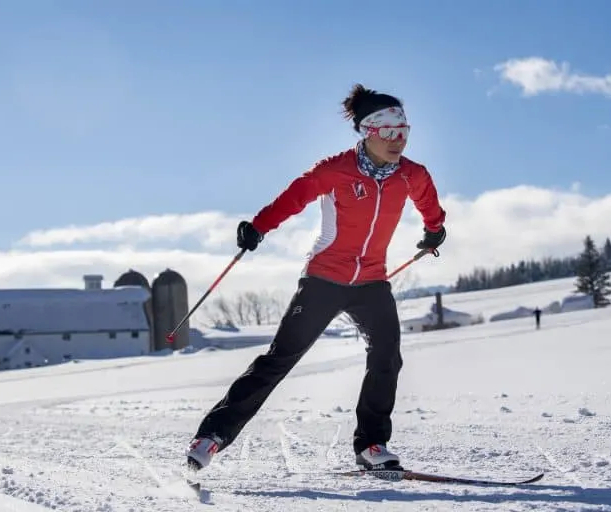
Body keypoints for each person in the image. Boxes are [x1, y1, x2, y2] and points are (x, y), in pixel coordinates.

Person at [185, 83, 447, 473]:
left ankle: (372, 444)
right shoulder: (335, 170)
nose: (398, 140)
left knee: (387, 355)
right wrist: (258, 227)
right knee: (280, 359)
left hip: (372, 281)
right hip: (324, 278)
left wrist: (434, 230)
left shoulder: (412, 175)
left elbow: (428, 203)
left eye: (404, 132)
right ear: (368, 132)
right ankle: (212, 436)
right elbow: (294, 197)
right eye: (389, 132)